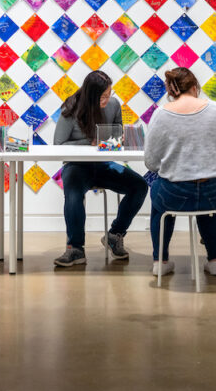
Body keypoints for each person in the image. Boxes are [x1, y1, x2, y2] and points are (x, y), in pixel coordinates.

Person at [144, 67, 216, 277]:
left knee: (159, 197)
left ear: (171, 92)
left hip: (175, 196)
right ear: (195, 88)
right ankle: (214, 259)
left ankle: (160, 260)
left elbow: (150, 162)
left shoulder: (161, 114)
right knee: (208, 192)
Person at [52, 71, 148, 267]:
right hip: (77, 166)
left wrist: (112, 138)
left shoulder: (113, 105)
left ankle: (115, 235)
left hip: (103, 164)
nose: (106, 99)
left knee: (139, 185)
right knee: (73, 195)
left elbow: (118, 130)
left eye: (108, 94)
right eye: (102, 96)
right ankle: (75, 248)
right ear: (90, 95)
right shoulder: (71, 107)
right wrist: (89, 141)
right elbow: (58, 144)